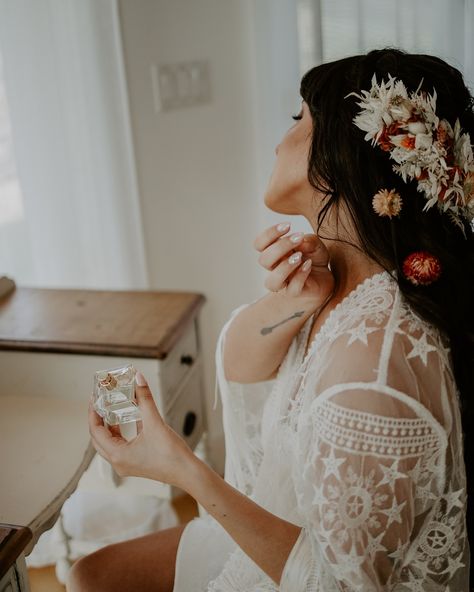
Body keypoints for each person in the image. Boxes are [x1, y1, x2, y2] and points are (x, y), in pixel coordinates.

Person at [67, 47, 473, 591]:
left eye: (298, 120)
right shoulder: (344, 282)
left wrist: (181, 468)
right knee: (91, 573)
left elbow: (338, 584)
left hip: (303, 569)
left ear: (341, 157)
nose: (280, 141)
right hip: (290, 533)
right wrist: (292, 304)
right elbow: (240, 368)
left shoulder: (374, 362)